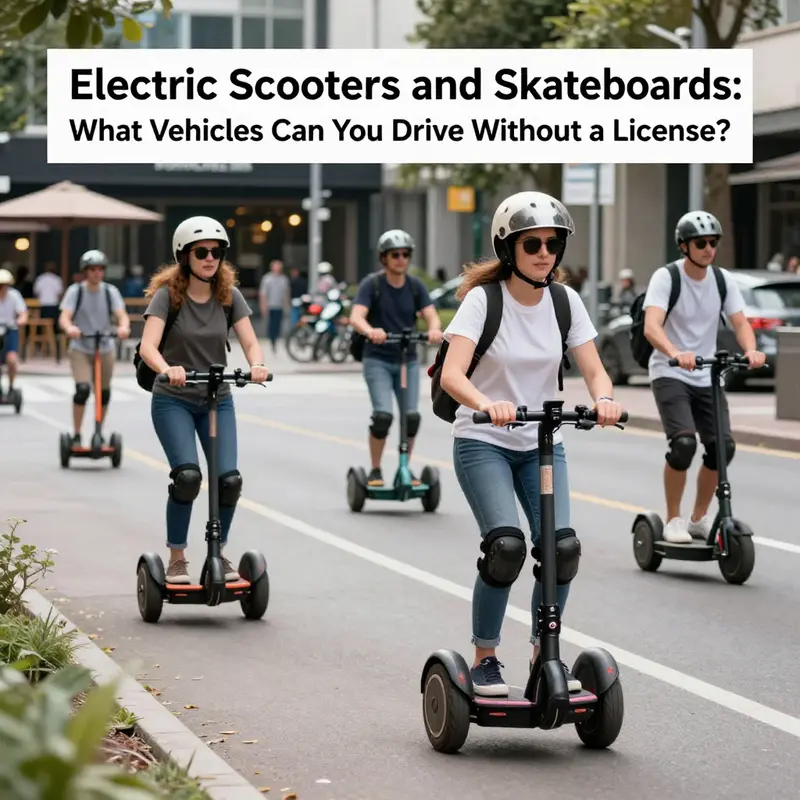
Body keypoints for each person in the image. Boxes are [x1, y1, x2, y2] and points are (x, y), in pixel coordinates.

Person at [438, 191, 623, 697]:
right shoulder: (483, 301)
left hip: (541, 439)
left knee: (561, 549)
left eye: (553, 243)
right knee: (506, 548)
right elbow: (452, 374)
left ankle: (546, 652)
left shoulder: (565, 301)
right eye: (533, 243)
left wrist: (604, 398)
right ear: (509, 248)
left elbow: (592, 367)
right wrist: (485, 401)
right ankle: (485, 659)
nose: (545, 252)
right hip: (483, 440)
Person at [138, 216, 270, 586]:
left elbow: (250, 341)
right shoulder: (168, 297)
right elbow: (148, 346)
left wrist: (256, 364)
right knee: (188, 478)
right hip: (173, 400)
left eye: (217, 251)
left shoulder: (228, 296)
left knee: (229, 481)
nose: (210, 258)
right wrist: (168, 368)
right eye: (202, 252)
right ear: (185, 256)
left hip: (217, 398)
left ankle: (219, 552)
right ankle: (177, 558)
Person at [643, 211, 766, 545]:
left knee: (722, 448)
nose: (709, 248)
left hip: (707, 374)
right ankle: (673, 519)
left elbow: (740, 323)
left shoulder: (722, 280)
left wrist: (751, 349)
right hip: (670, 372)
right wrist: (673, 352)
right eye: (701, 243)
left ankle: (698, 518)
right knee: (684, 445)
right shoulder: (667, 278)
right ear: (684, 246)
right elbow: (652, 326)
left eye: (714, 242)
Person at [349, 230, 443, 487]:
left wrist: (434, 329)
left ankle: (405, 466)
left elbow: (430, 314)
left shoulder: (415, 286)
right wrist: (370, 331)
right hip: (377, 359)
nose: (401, 259)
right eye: (395, 255)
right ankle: (376, 469)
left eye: (406, 254)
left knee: (411, 417)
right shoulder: (373, 285)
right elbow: (356, 316)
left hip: (407, 360)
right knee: (383, 416)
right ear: (384, 258)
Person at [58, 250, 130, 447]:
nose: (97, 273)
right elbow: (64, 316)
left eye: (100, 269)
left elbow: (121, 314)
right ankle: (77, 434)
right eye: (92, 269)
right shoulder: (76, 291)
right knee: (82, 390)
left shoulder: (110, 291)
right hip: (81, 347)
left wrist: (123, 327)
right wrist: (70, 327)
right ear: (85, 271)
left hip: (105, 346)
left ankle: (99, 430)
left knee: (104, 392)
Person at [0, 268, 28, 393]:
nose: (2, 288)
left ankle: (11, 386)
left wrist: (21, 319)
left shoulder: (14, 295)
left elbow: (23, 312)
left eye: (5, 285)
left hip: (10, 329)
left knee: (12, 360)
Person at [258, 259, 290, 352]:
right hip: (270, 305)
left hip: (279, 305)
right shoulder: (267, 279)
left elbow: (286, 293)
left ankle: (275, 338)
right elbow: (263, 293)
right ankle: (272, 340)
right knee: (271, 324)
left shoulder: (284, 279)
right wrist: (263, 306)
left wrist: (287, 305)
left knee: (278, 324)